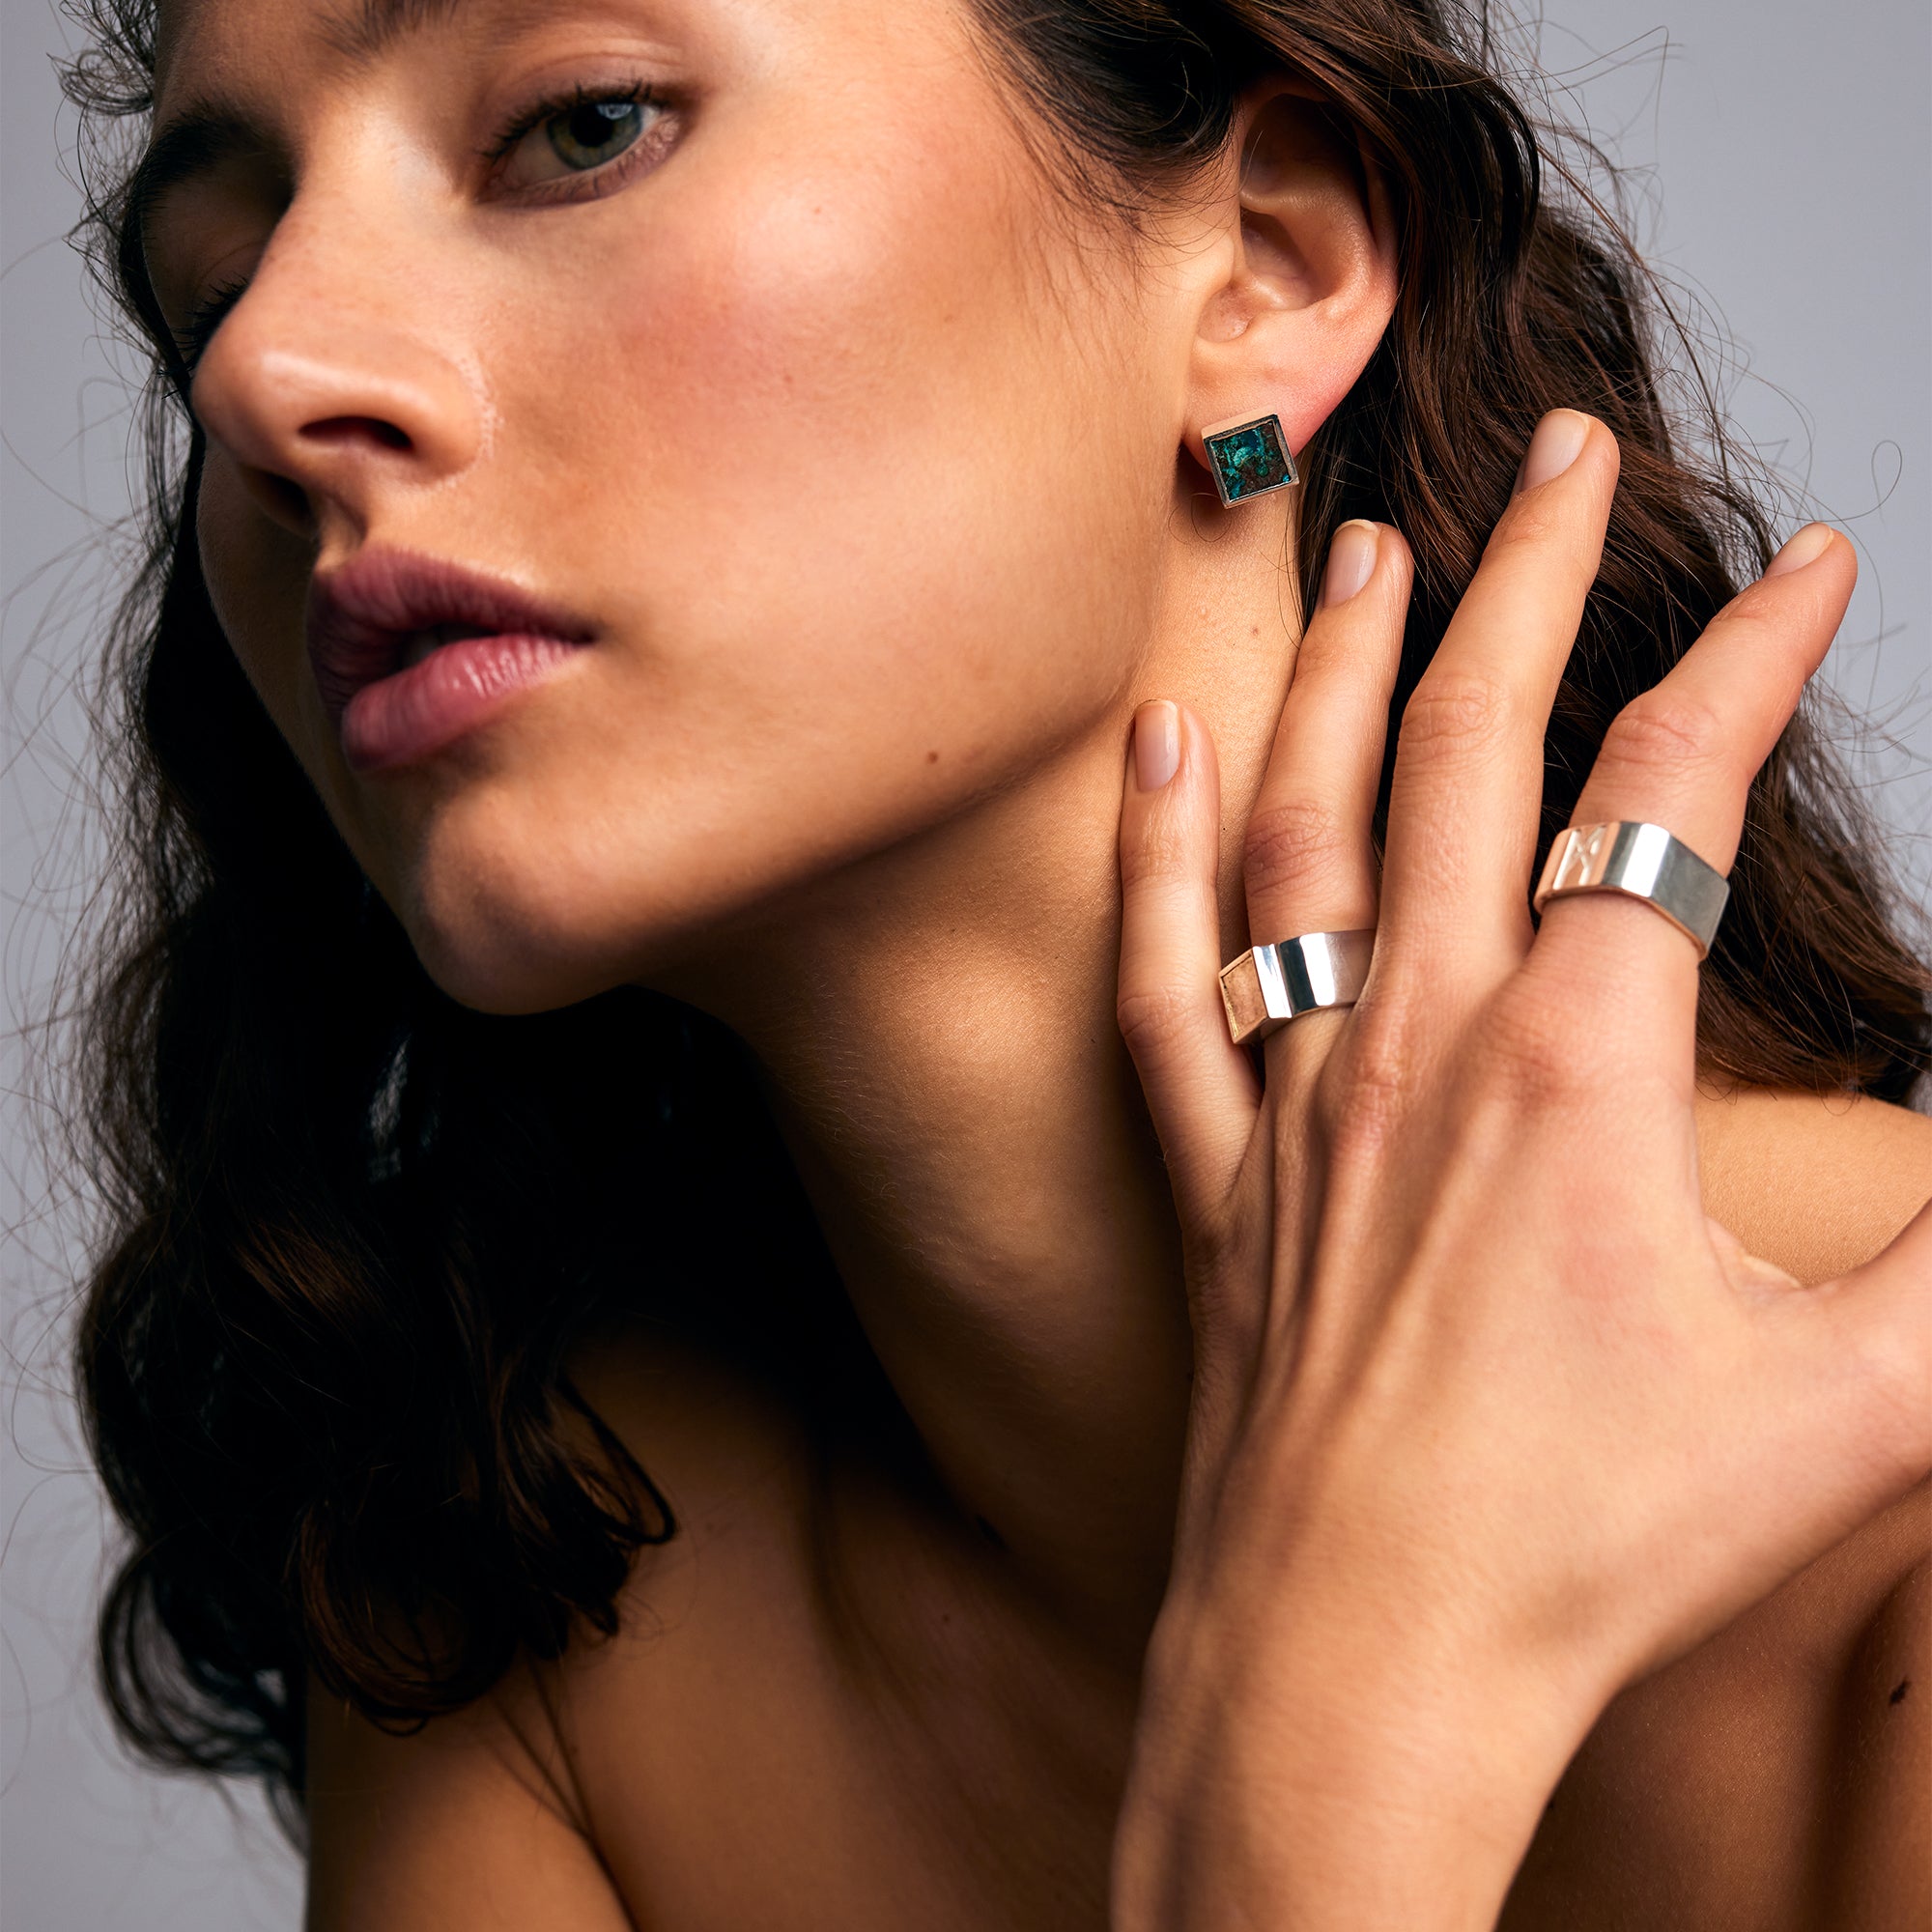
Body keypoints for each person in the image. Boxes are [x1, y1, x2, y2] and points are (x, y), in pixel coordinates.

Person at [58, 0, 1927, 1923]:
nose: (264, 374)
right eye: (212, 286)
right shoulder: (549, 1597)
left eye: (581, 124)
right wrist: (1332, 1748)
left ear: (1263, 270)